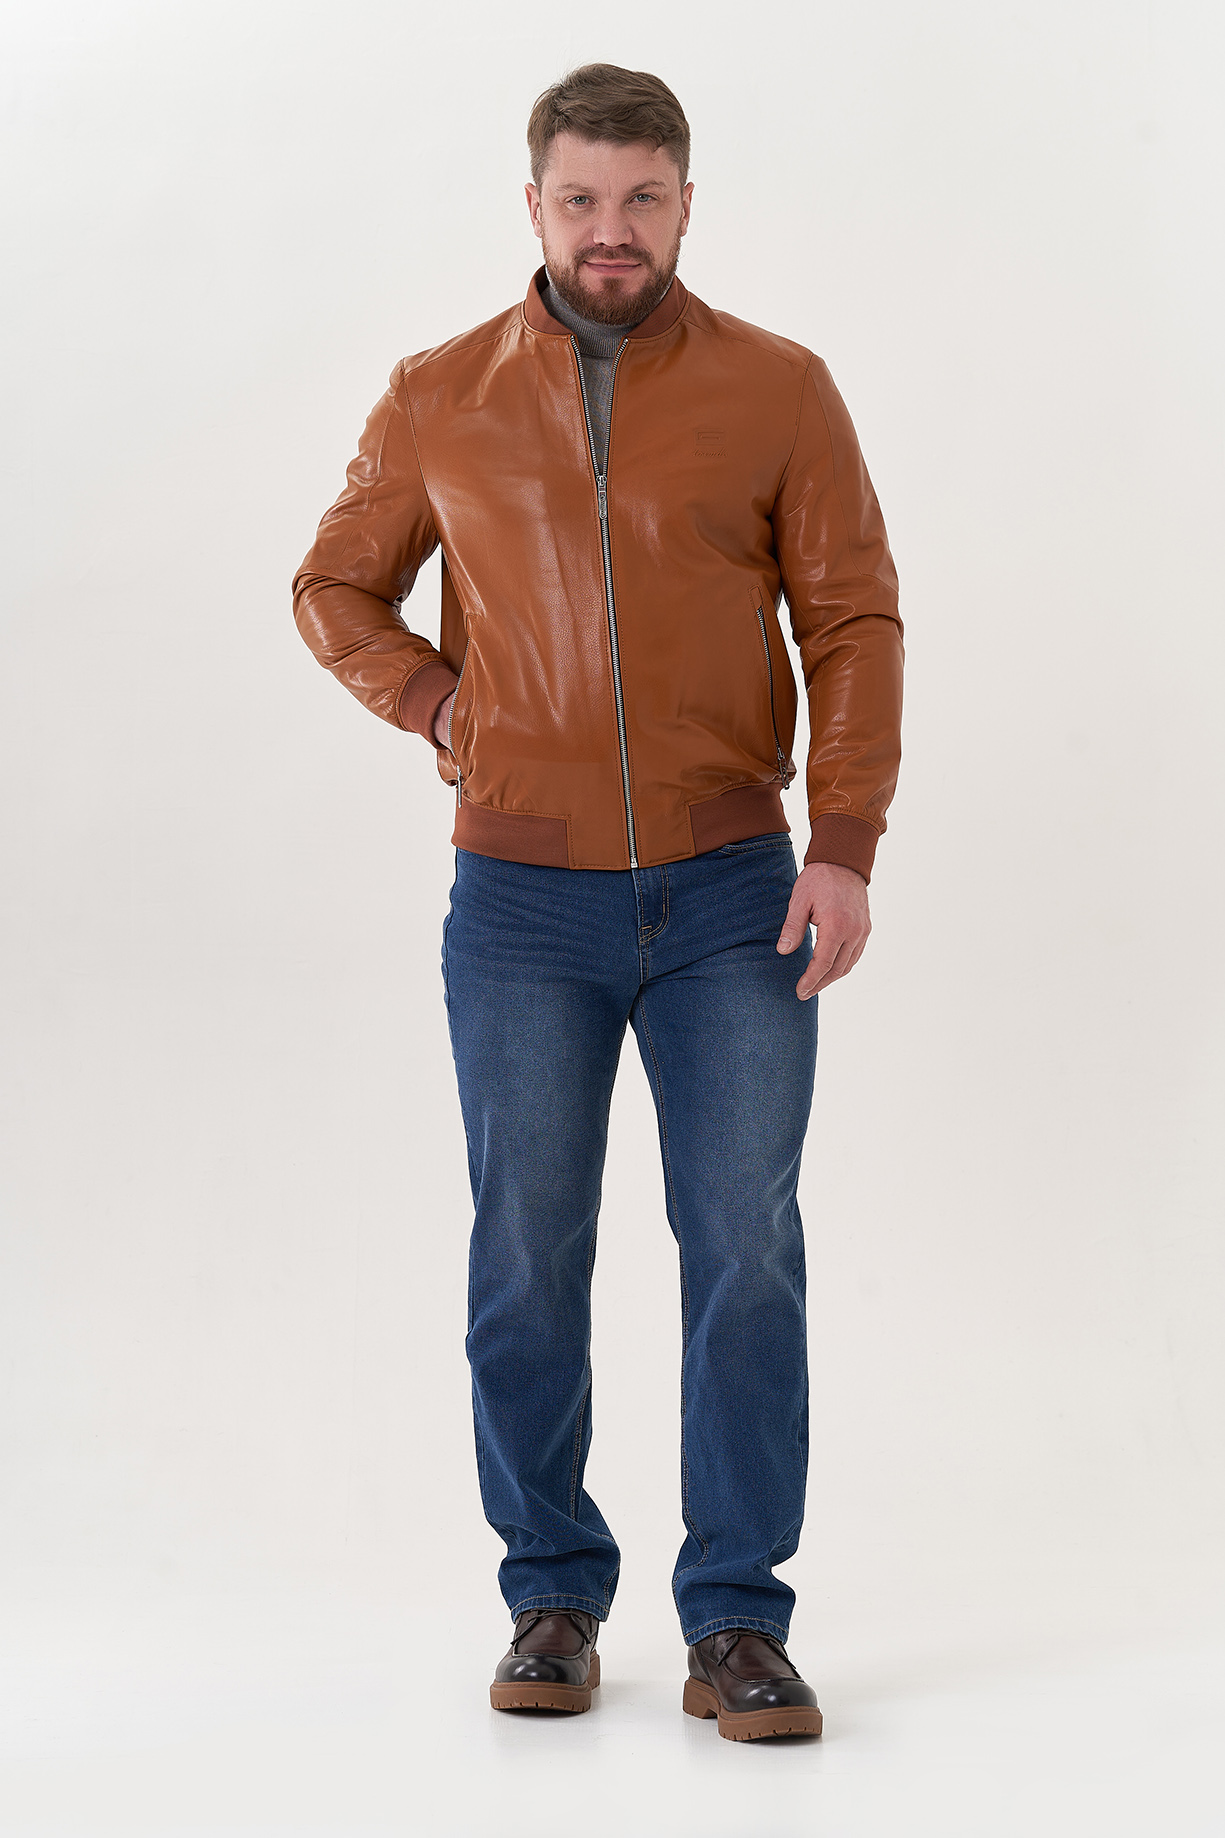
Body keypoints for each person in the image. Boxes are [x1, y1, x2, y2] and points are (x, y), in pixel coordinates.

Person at [292, 62, 902, 1742]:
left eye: (641, 198)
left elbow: (850, 617)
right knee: (524, 1254)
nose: (609, 229)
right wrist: (438, 704)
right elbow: (333, 583)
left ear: (686, 204)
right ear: (535, 206)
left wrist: (843, 836)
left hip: (731, 892)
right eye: (580, 199)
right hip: (518, 902)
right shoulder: (439, 393)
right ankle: (550, 1592)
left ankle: (737, 1616)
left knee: (744, 1249)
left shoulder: (781, 388)